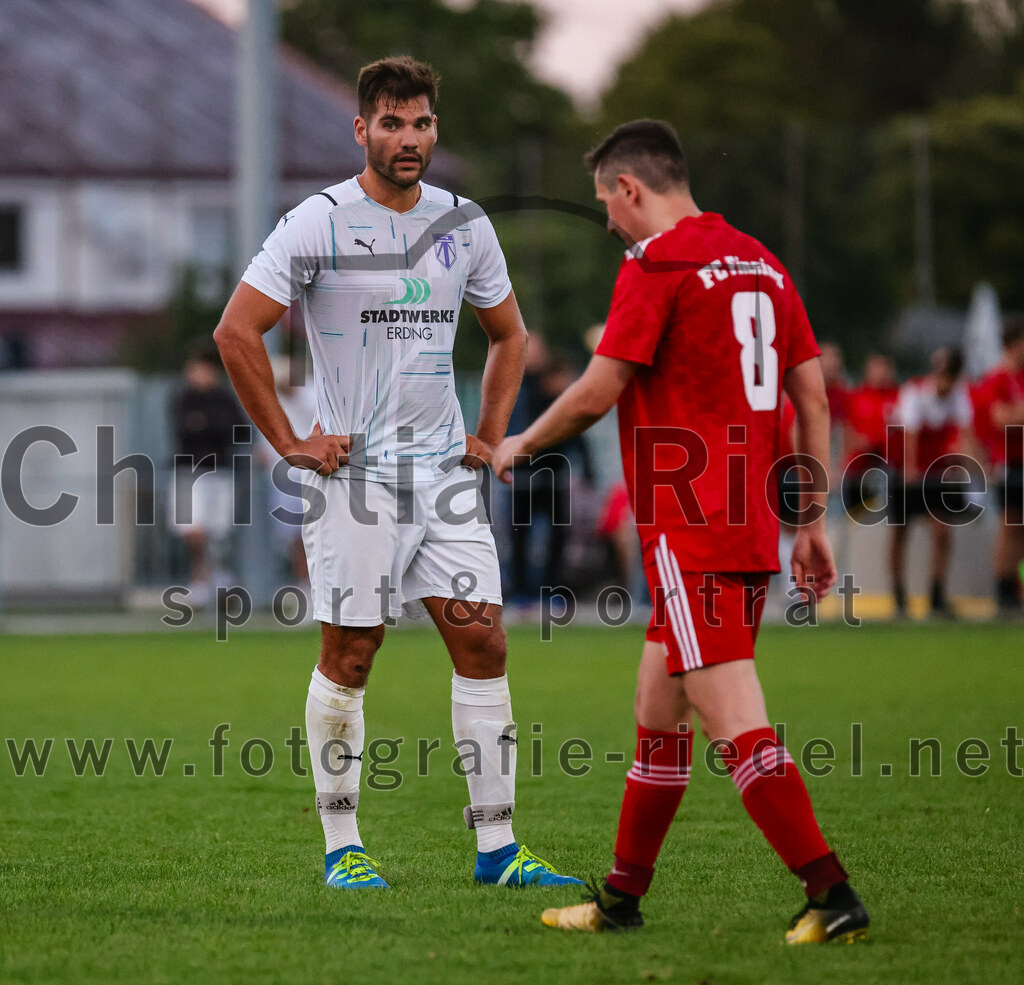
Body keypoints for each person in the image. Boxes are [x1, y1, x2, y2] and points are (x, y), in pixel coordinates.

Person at [492, 120, 869, 943]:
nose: (609, 224)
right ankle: (621, 901)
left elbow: (598, 388)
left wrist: (518, 440)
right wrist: (807, 524)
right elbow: (811, 400)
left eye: (606, 205)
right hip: (747, 521)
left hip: (690, 525)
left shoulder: (655, 262)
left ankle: (831, 891)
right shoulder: (764, 263)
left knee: (736, 723)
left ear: (631, 188)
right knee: (656, 712)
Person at [213, 56, 581, 890]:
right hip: (357, 481)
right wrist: (289, 442)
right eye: (391, 122)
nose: (407, 138)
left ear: (433, 129)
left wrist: (489, 435)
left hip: (445, 479)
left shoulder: (465, 224)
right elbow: (238, 333)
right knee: (352, 651)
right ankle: (344, 847)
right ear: (362, 130)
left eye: (420, 123)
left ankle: (498, 849)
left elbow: (510, 334)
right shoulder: (318, 222)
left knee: (484, 640)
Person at [888, 347, 973, 617]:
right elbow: (910, 436)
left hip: (936, 475)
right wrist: (910, 471)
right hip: (908, 474)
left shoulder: (958, 396)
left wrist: (971, 465)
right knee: (901, 534)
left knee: (942, 532)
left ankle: (936, 594)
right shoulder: (915, 393)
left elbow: (965, 434)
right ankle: (899, 595)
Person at [168, 342, 246, 606]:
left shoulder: (224, 399)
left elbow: (236, 430)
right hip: (189, 472)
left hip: (219, 471)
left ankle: (215, 578)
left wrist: (206, 424)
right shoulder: (183, 398)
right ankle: (204, 578)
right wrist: (211, 425)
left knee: (218, 531)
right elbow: (184, 428)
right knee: (193, 529)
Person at [971, 320, 1024, 612]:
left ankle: (1014, 585)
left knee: (1020, 528)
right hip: (1008, 461)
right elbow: (999, 419)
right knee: (1009, 526)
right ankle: (1002, 586)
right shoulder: (997, 379)